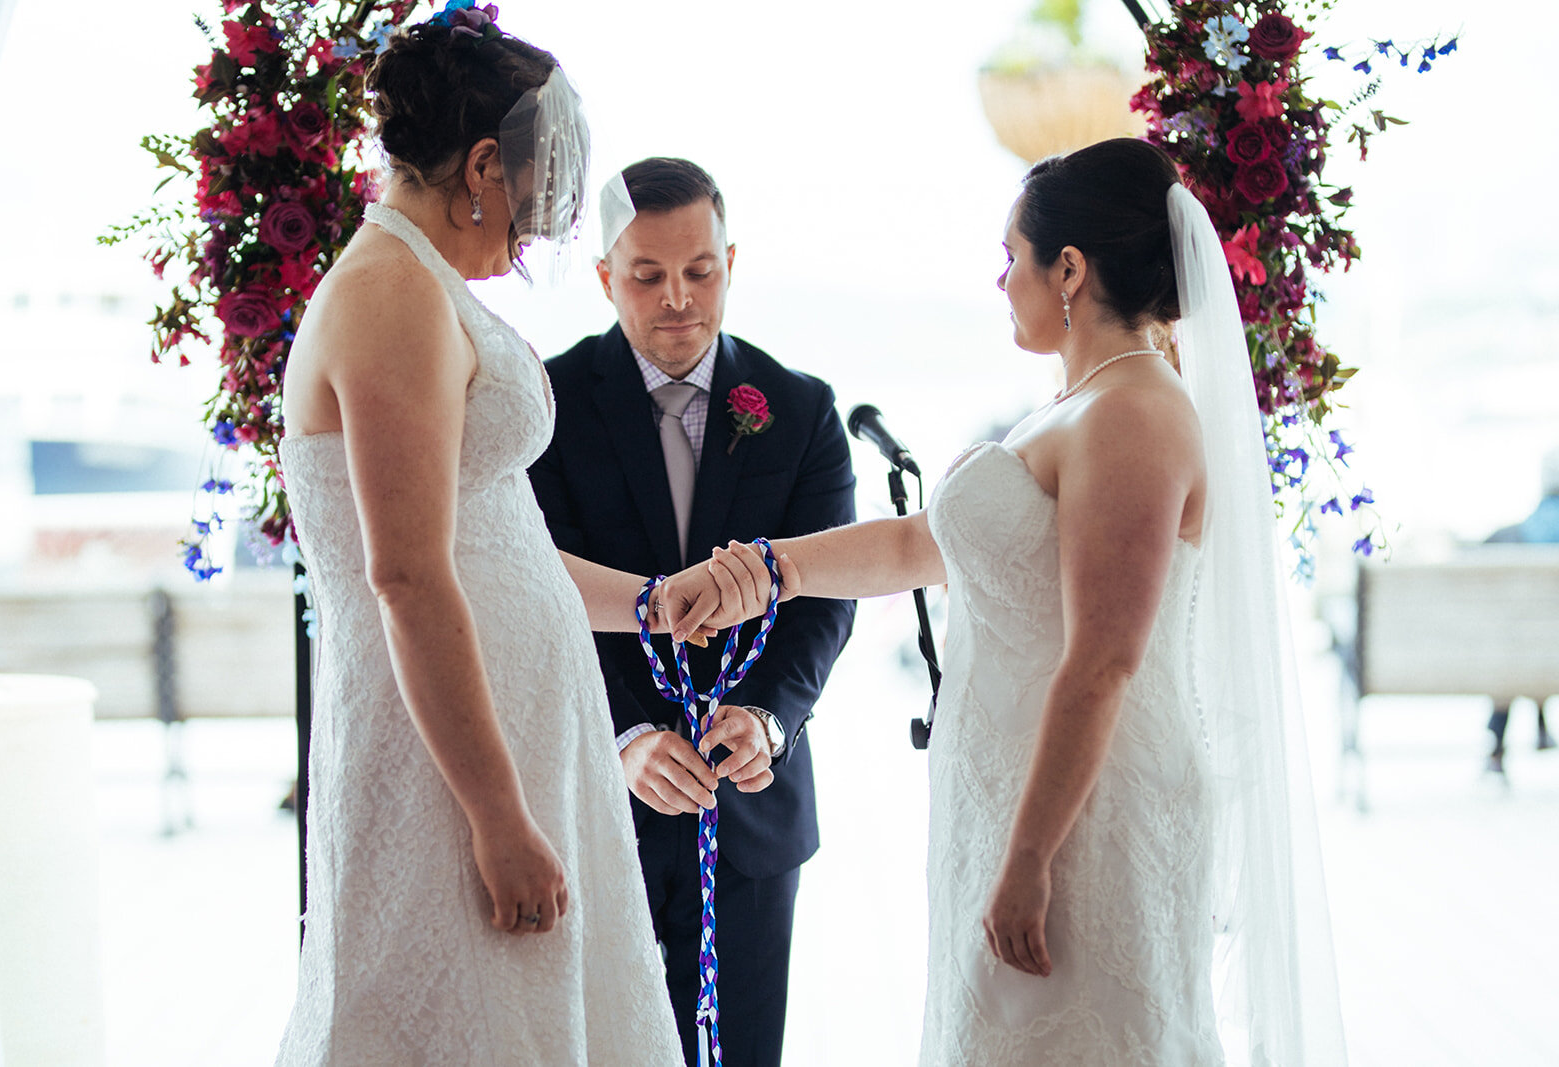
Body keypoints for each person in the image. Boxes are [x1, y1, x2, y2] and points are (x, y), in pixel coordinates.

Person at [667, 137, 1346, 1065]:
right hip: (1015, 789)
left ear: (1068, 268)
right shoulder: (1080, 400)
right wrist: (762, 570)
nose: (1000, 281)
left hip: (1088, 809)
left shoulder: (1136, 413)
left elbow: (1105, 658)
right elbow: (921, 545)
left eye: (1010, 255)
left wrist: (1030, 857)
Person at [273, 13, 763, 1064]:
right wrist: (497, 816)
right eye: (534, 194)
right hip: (447, 759)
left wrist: (643, 600)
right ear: (484, 163)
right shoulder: (390, 294)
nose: (535, 228)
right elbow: (406, 576)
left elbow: (494, 535)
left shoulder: (419, 284)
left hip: (516, 730)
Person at [529, 157, 856, 1066]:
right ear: (604, 276)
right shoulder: (545, 410)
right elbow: (534, 597)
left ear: (730, 260)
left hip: (752, 811)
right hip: (600, 805)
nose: (677, 298)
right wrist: (623, 734)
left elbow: (823, 603)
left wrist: (770, 718)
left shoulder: (801, 411)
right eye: (646, 275)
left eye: (699, 270)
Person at [1483, 446, 1559, 770]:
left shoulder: (1510, 536)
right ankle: (1540, 729)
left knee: (1515, 643)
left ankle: (1497, 746)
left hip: (1518, 655)